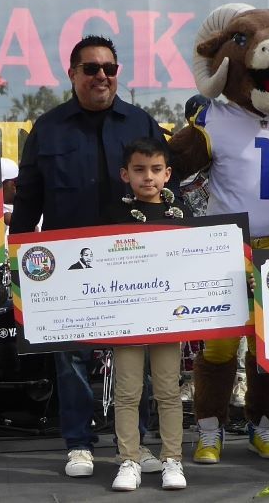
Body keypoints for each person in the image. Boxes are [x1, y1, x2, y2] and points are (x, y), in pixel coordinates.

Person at [10, 35, 166, 479]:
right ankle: (78, 444)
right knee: (72, 356)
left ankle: (133, 442)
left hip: (133, 259)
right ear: (73, 74)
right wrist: (19, 252)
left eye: (109, 69)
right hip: (68, 262)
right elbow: (30, 198)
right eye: (91, 68)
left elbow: (161, 190)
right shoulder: (50, 127)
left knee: (135, 353)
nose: (101, 76)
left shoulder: (141, 123)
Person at [102, 137, 190, 492]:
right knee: (127, 392)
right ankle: (130, 459)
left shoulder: (183, 217)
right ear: (126, 174)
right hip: (126, 319)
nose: (148, 177)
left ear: (167, 174)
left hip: (170, 317)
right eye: (139, 170)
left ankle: (173, 459)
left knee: (169, 390)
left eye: (156, 170)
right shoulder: (112, 217)